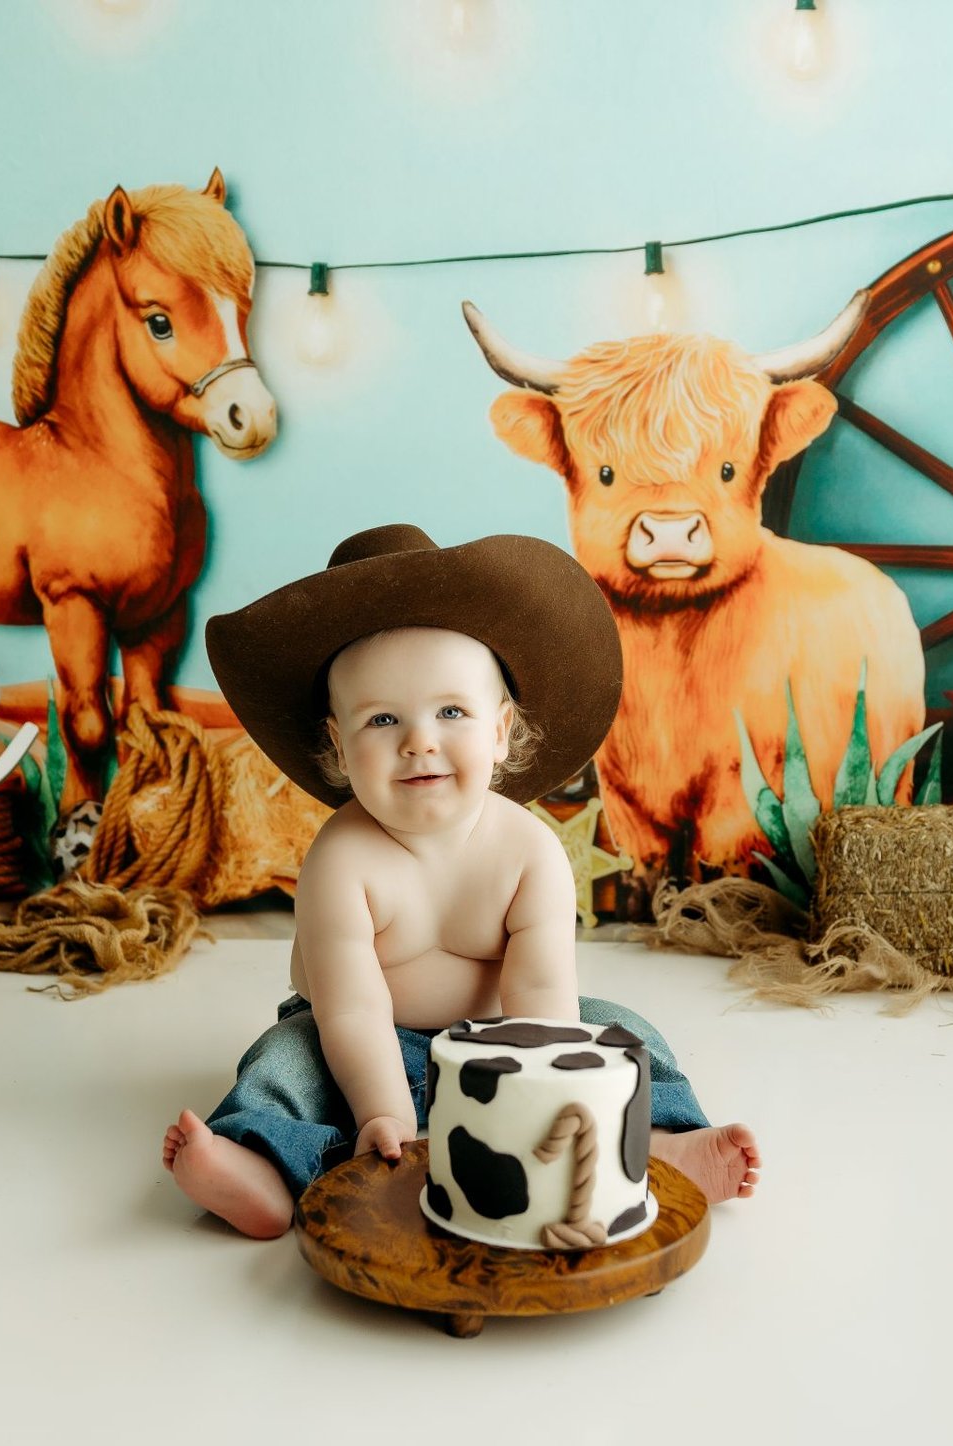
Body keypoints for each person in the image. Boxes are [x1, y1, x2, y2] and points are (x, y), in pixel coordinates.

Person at [162, 524, 761, 1238]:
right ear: (339, 746)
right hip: (363, 1042)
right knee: (284, 1058)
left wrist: (541, 1096)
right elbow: (351, 1007)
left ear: (501, 731)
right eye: (383, 719)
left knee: (626, 1031)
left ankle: (657, 1142)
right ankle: (264, 1166)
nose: (420, 741)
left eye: (451, 711)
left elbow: (541, 995)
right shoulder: (341, 860)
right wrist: (385, 1112)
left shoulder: (529, 852)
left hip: (504, 1038)